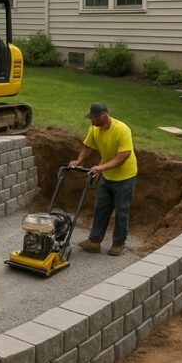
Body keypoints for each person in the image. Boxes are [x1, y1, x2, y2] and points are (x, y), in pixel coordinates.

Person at [69, 102, 138, 256]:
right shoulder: (95, 129)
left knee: (121, 211)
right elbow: (87, 146)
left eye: (93, 118)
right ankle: (94, 241)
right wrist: (78, 161)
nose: (91, 121)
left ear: (103, 116)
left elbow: (123, 157)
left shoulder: (122, 130)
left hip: (125, 177)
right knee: (101, 208)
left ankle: (118, 244)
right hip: (107, 176)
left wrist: (101, 168)